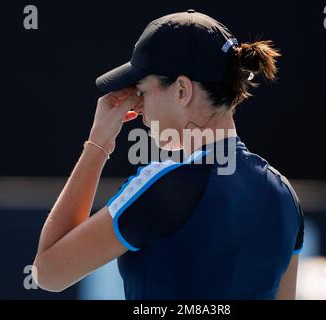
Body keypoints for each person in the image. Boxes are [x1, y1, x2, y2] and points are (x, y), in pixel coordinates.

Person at [32, 9, 304, 300]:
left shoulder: (165, 186)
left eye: (143, 91)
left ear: (182, 90)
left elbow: (48, 273)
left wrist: (98, 144)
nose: (139, 107)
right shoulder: (284, 193)